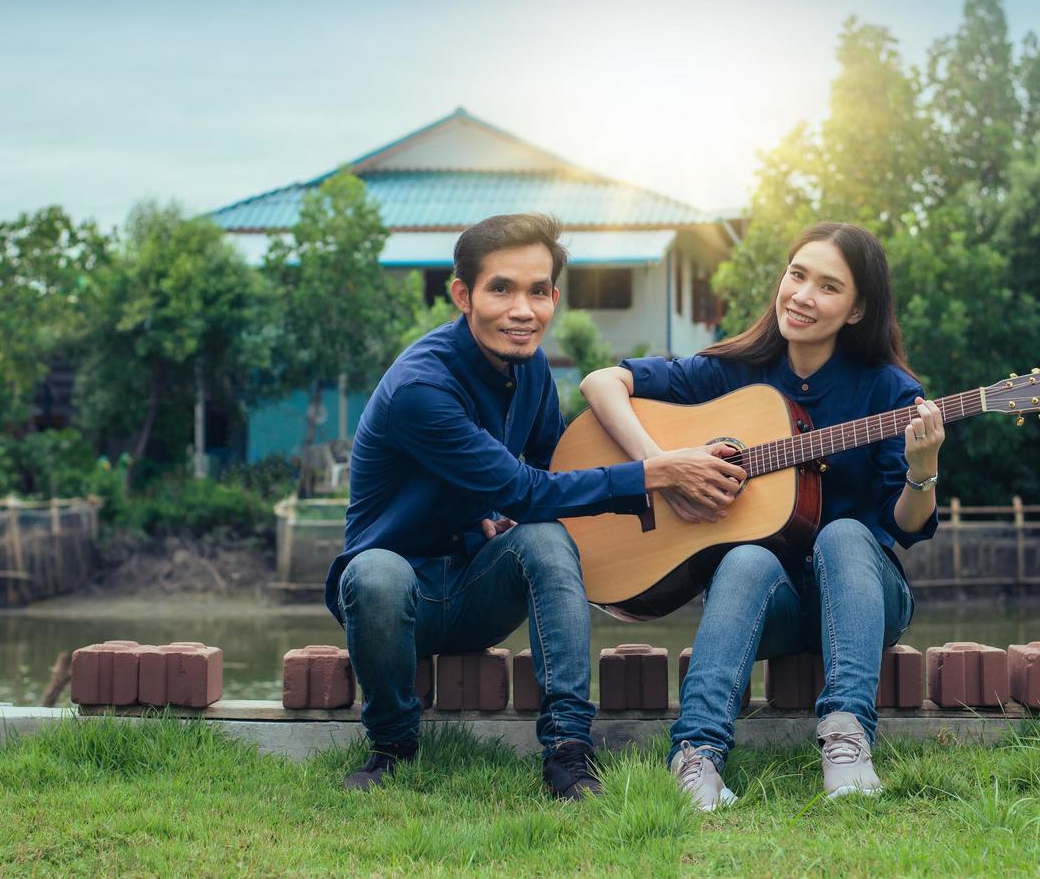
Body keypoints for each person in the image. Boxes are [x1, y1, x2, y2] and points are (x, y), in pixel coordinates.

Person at [328, 212, 744, 798]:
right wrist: (657, 470)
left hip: (478, 586)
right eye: (501, 288)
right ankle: (392, 747)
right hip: (399, 600)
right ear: (463, 295)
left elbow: (560, 474)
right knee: (374, 573)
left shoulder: (531, 369)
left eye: (539, 291)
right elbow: (527, 490)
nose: (523, 310)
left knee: (546, 539)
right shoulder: (421, 388)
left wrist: (673, 498)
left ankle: (569, 753)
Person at [579, 221, 943, 809]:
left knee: (846, 534)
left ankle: (848, 746)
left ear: (856, 310)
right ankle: (695, 758)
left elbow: (904, 525)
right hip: (764, 605)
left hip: (862, 599)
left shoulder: (890, 391)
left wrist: (921, 468)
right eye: (797, 275)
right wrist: (661, 468)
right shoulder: (731, 373)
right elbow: (602, 383)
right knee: (747, 556)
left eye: (828, 286)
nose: (802, 295)